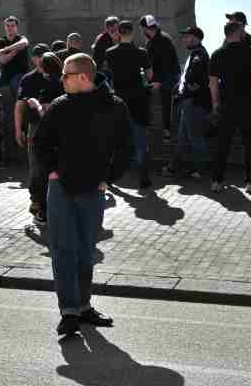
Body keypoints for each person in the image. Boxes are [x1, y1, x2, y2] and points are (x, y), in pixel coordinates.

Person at [32, 53, 133, 338]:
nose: (60, 79)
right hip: (61, 189)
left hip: (94, 189)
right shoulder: (60, 107)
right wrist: (51, 172)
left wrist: (108, 179)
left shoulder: (114, 107)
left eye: (65, 75)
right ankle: (69, 312)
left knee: (86, 250)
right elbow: (39, 143)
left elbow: (126, 147)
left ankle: (84, 306)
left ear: (82, 77)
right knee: (63, 250)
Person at [209, 20, 251, 193]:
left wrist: (215, 103)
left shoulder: (217, 54)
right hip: (248, 103)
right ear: (239, 32)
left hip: (227, 104)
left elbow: (213, 83)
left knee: (223, 143)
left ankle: (217, 181)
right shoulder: (249, 51)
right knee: (250, 144)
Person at [106, 20, 157, 189]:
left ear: (119, 33)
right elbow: (149, 76)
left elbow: (109, 75)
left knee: (116, 141)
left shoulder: (110, 52)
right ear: (133, 33)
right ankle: (143, 178)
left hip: (119, 100)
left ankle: (110, 176)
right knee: (141, 142)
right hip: (139, 101)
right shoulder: (142, 53)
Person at [16, 47, 64, 225]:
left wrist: (35, 103)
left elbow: (45, 111)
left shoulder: (48, 85)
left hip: (42, 131)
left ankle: (41, 209)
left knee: (39, 169)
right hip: (62, 133)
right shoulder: (64, 82)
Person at [162, 26, 212, 179]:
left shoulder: (199, 55)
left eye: (187, 36)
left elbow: (193, 77)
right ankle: (173, 167)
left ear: (196, 38)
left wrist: (188, 88)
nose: (184, 39)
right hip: (189, 101)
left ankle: (202, 169)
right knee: (183, 139)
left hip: (194, 102)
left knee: (195, 137)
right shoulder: (196, 54)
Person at [141, 15, 180, 142]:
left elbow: (166, 64)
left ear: (146, 28)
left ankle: (167, 130)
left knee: (166, 98)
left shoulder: (163, 40)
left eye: (143, 28)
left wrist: (158, 81)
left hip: (169, 76)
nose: (143, 31)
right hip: (159, 76)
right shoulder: (151, 41)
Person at [0, 16, 31, 95]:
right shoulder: (0, 41)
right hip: (4, 74)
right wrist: (16, 50)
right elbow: (3, 60)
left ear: (17, 27)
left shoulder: (21, 38)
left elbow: (24, 43)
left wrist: (5, 49)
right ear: (5, 27)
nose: (10, 28)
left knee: (16, 88)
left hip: (20, 73)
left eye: (12, 26)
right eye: (7, 25)